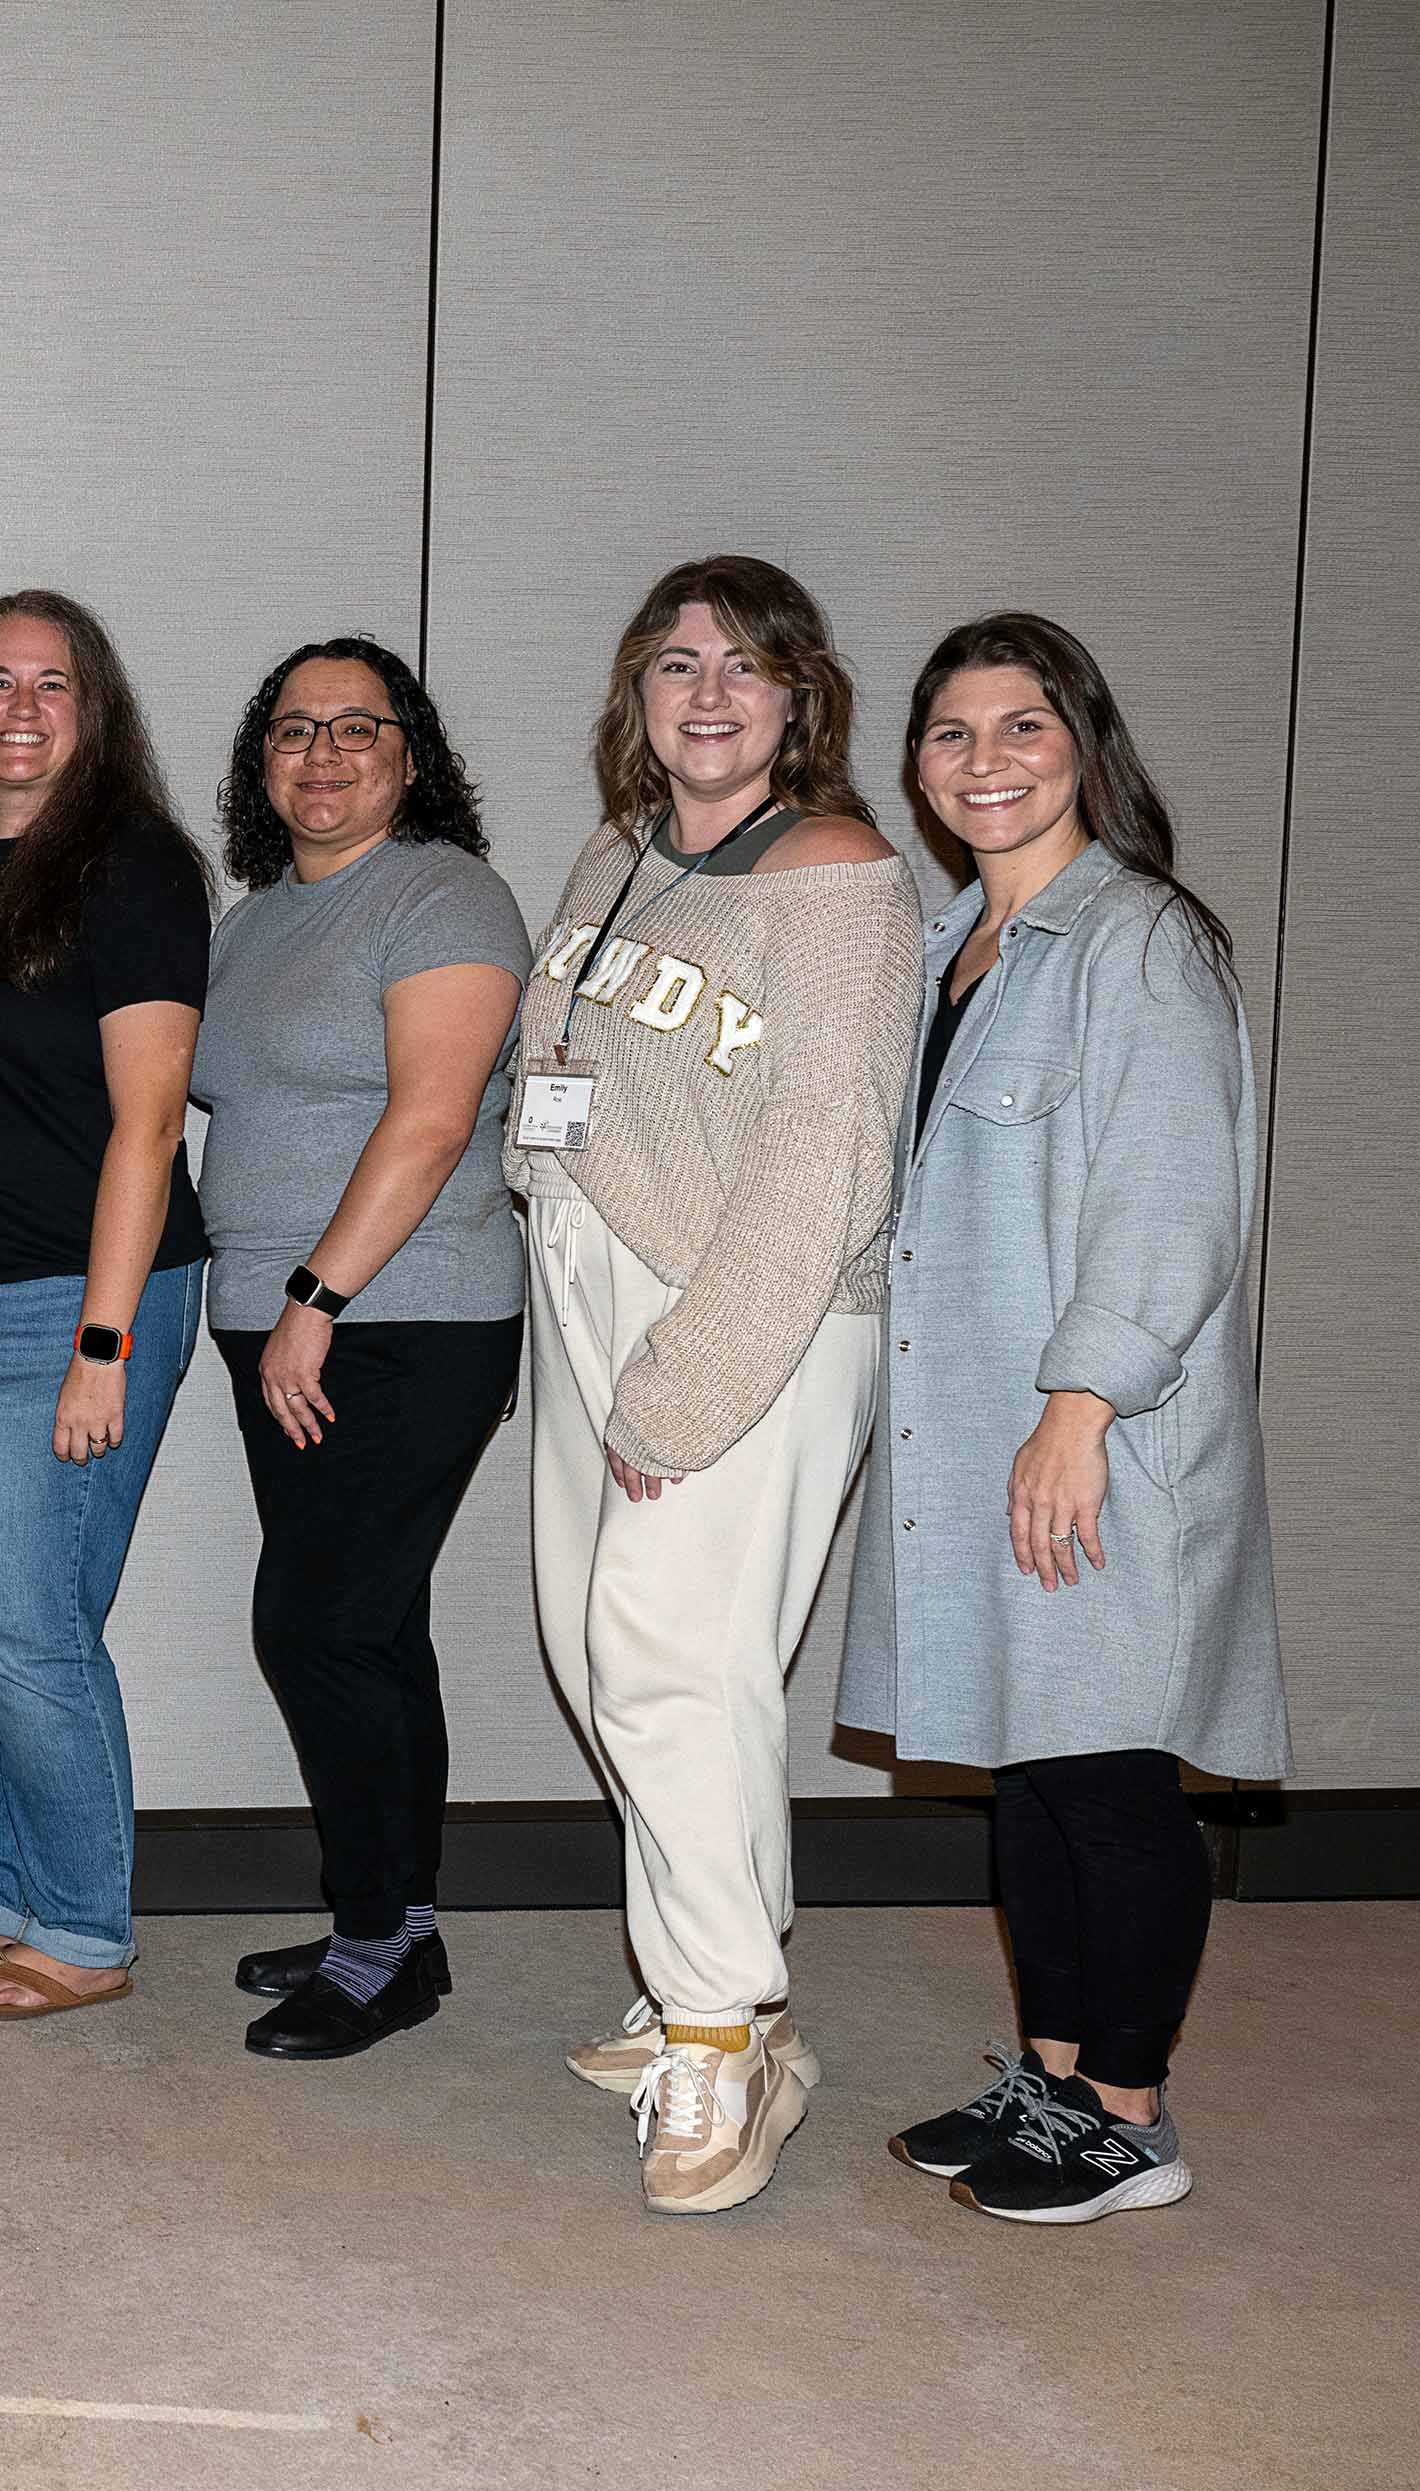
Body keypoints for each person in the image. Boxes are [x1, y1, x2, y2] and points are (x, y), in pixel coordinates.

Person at [843, 613, 1287, 2224]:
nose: (986, 761)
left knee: (1105, 1774)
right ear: (918, 766)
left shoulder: (1139, 940)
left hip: (1091, 1437)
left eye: (1021, 727)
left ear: (1083, 743)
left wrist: (1080, 1406)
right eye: (953, 733)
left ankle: (1131, 2111)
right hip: (975, 1431)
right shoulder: (957, 946)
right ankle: (1052, 2073)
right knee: (1023, 1773)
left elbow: (1170, 1212)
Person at [506, 553, 919, 2213]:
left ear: (799, 699)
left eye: (746, 667)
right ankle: (731, 1989)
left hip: (747, 1312)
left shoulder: (840, 876)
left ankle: (717, 2047)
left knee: (669, 1657)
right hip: (591, 1294)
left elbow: (824, 1163)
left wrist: (684, 1386)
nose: (710, 692)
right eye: (679, 664)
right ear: (640, 693)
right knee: (604, 1650)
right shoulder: (623, 853)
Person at [0, 593, 209, 2021]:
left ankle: (82, 1919)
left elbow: (148, 1125)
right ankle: (4, 1881)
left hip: (75, 1293)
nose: (22, 706)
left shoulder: (133, 866)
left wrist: (104, 1344)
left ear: (97, 707)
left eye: (53, 682)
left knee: (31, 1621)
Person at [193, 637, 528, 2060]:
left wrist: (314, 1301)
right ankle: (390, 1923)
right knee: (376, 1631)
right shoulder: (259, 916)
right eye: (291, 729)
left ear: (412, 751)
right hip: (285, 1329)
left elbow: (435, 1116)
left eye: (356, 727)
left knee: (317, 1626)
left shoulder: (446, 894)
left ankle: (380, 1940)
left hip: (398, 1320)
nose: (320, 754)